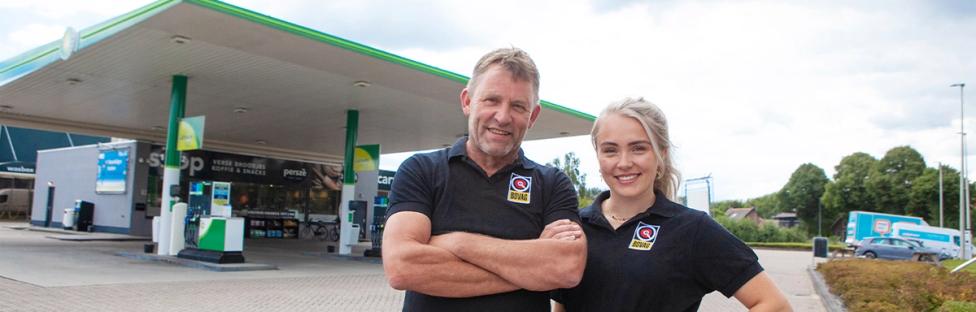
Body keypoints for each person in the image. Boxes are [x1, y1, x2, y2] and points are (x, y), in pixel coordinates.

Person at [382, 48, 588, 312]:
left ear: (533, 116)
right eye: (492, 100)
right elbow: (402, 268)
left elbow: (566, 269)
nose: (502, 117)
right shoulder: (421, 170)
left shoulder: (552, 184)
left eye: (518, 106)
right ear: (467, 101)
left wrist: (457, 243)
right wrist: (530, 270)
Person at [551, 97, 792, 312]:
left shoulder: (692, 230)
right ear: (598, 156)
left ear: (661, 154)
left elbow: (774, 304)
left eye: (638, 148)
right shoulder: (575, 227)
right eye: (610, 150)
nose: (624, 162)